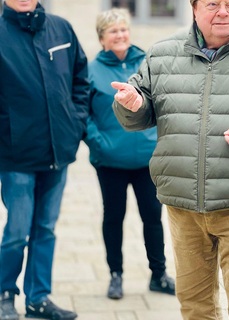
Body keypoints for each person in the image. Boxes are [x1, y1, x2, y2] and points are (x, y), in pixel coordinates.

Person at [111, 0, 229, 318]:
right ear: (194, 9)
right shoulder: (162, 53)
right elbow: (141, 109)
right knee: (194, 303)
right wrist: (132, 103)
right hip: (183, 206)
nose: (223, 11)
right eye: (212, 3)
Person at [0, 0, 89, 319]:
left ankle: (38, 298)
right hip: (15, 153)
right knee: (18, 229)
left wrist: (75, 123)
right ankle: (6, 294)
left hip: (58, 150)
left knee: (45, 227)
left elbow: (80, 81)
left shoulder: (62, 28)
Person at [83, 8, 175, 300]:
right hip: (109, 161)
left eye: (124, 29)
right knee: (114, 217)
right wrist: (99, 143)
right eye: (113, 31)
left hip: (148, 160)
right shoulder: (90, 70)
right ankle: (115, 275)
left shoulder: (147, 63)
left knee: (152, 217)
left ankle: (158, 275)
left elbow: (163, 103)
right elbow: (81, 113)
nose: (120, 35)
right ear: (102, 38)